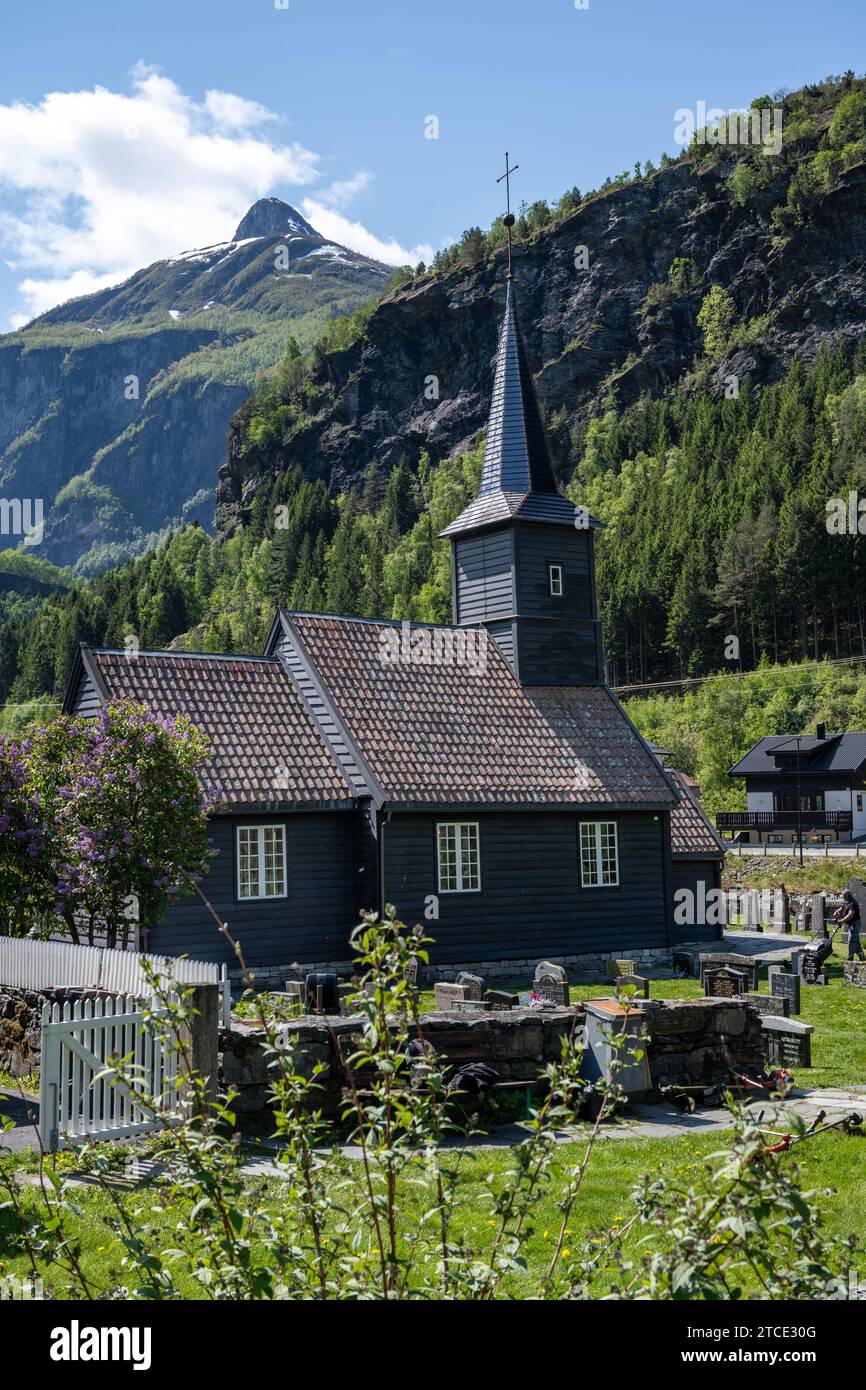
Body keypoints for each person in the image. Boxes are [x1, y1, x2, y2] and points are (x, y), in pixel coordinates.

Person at [833, 890, 865, 961]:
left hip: (855, 923)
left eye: (844, 896)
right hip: (851, 924)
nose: (843, 897)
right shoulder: (846, 901)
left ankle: (850, 957)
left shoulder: (853, 903)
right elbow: (843, 907)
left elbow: (850, 915)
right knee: (855, 940)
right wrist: (836, 912)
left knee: (851, 940)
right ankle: (861, 955)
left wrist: (842, 921)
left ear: (848, 896)